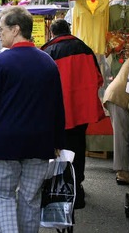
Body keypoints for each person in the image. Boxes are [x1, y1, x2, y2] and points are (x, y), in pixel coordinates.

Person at [0, 6, 65, 232]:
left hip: (5, 143)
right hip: (40, 143)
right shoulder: (48, 63)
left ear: (16, 29)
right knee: (30, 199)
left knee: (3, 196)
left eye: (1, 29)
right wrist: (59, 142)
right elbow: (57, 106)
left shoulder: (1, 63)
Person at [41, 19, 106, 209]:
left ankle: (61, 188)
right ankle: (77, 187)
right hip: (81, 110)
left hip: (57, 111)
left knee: (57, 149)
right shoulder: (85, 48)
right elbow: (98, 78)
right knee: (78, 146)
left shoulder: (48, 51)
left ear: (52, 33)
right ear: (68, 30)